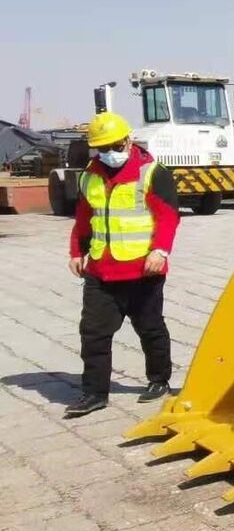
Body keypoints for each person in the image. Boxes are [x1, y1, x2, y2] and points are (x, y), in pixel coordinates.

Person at [65, 112, 180, 417]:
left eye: (115, 145)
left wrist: (161, 251)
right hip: (101, 270)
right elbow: (83, 219)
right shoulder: (88, 176)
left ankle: (159, 380)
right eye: (102, 148)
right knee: (93, 332)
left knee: (150, 328)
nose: (109, 153)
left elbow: (168, 216)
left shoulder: (152, 172)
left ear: (129, 140)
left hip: (144, 269)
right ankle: (94, 393)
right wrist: (77, 252)